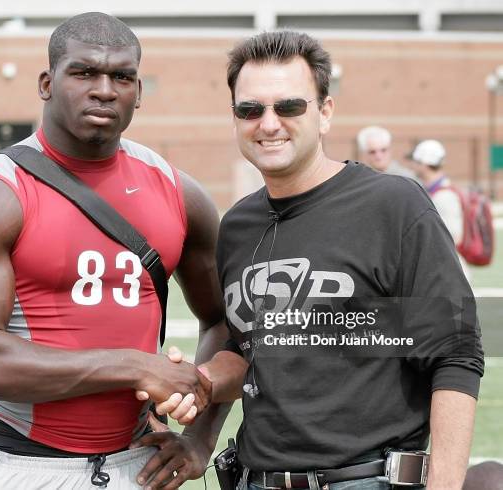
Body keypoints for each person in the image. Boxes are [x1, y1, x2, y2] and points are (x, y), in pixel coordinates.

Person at [159, 31, 483, 490]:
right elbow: (253, 348)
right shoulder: (237, 225)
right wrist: (202, 379)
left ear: (325, 112)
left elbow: (454, 354)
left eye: (289, 106)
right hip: (255, 478)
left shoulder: (392, 206)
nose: (268, 123)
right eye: (250, 109)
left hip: (365, 480)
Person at [0, 12, 227, 490]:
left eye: (122, 76)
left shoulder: (179, 193)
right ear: (47, 83)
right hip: (19, 465)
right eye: (85, 72)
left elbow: (225, 319)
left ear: (139, 91)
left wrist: (200, 437)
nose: (105, 90)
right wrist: (134, 365)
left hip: (140, 465)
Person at [409, 139, 470, 280]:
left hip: (448, 273)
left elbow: (452, 238)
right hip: (441, 270)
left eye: (415, 161)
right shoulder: (434, 191)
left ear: (424, 163)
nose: (412, 165)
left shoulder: (444, 196)